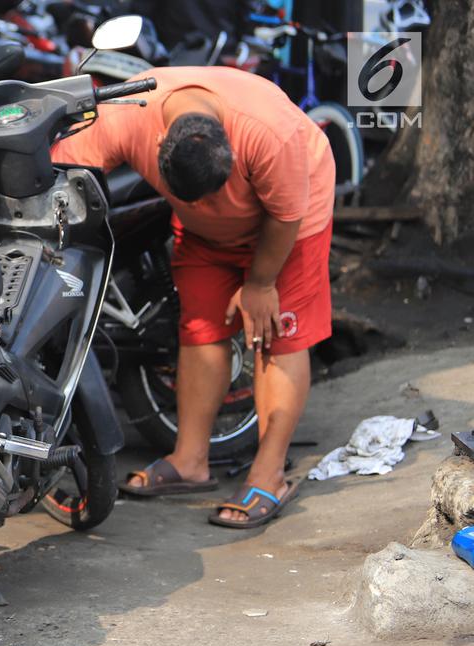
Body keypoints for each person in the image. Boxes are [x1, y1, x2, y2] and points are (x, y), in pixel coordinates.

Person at [52, 66, 334, 528]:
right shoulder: (129, 113)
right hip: (204, 238)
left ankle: (269, 472)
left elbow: (286, 215)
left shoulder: (270, 134)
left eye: (213, 194)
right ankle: (190, 460)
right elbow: (64, 166)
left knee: (274, 336)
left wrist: (261, 284)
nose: (210, 202)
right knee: (200, 329)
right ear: (161, 144)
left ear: (229, 147)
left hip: (290, 226)